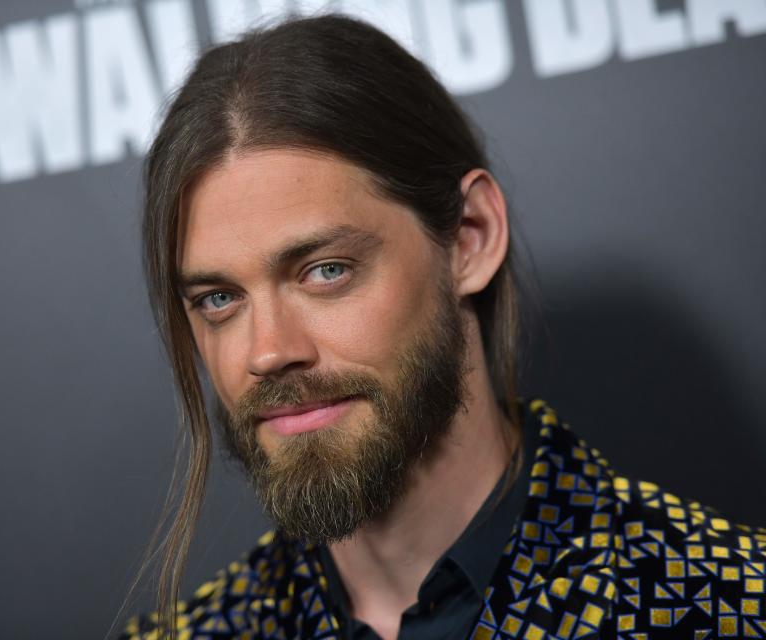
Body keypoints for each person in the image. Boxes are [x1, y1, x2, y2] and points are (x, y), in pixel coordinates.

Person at [119, 13, 766, 640]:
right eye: (219, 299)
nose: (268, 351)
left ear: (470, 240)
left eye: (326, 271)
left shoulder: (724, 602)